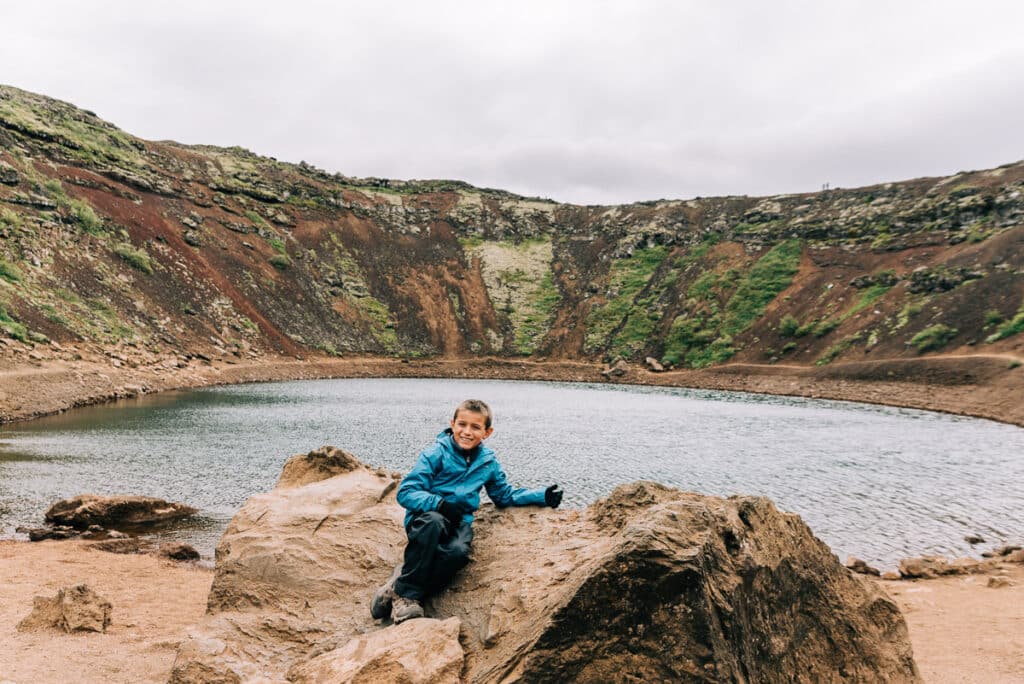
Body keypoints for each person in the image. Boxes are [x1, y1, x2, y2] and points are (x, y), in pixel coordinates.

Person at [371, 399, 563, 623]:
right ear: (452, 424)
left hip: (459, 522)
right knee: (433, 524)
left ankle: (395, 587)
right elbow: (406, 492)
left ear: (487, 432)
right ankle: (406, 599)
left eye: (475, 427)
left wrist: (541, 496)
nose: (467, 432)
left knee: (457, 553)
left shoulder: (488, 462)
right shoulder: (435, 453)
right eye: (462, 424)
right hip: (425, 518)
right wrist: (439, 504)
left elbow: (503, 495)